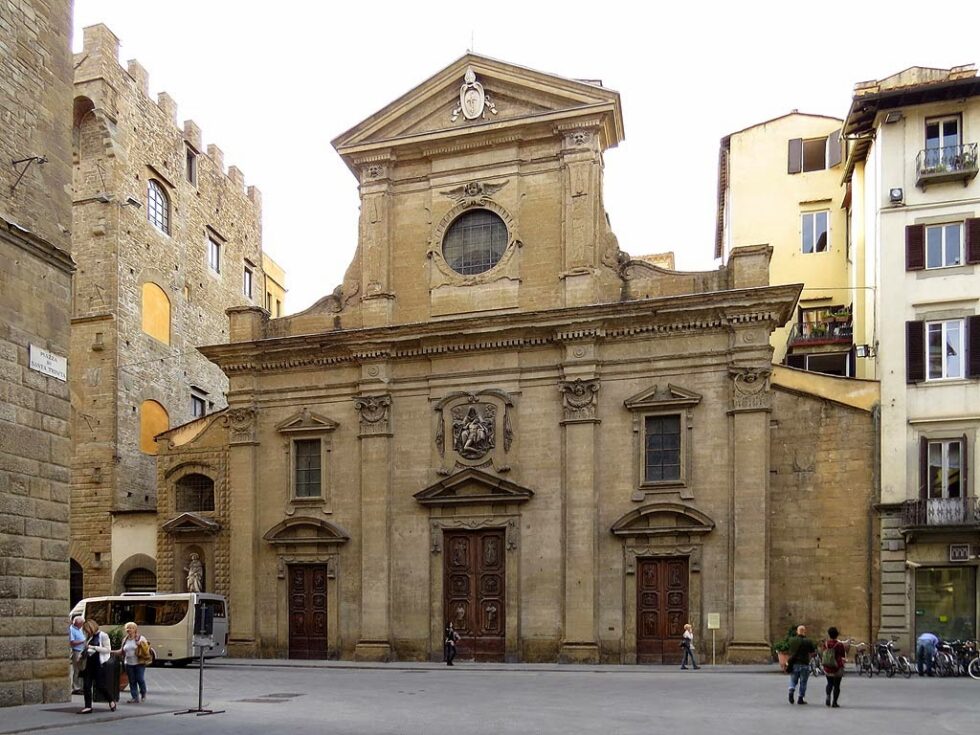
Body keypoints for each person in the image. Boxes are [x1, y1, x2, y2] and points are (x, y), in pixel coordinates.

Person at [78, 619, 116, 714]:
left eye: (87, 630)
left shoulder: (103, 635)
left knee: (100, 685)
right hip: (89, 663)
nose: (86, 632)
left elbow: (108, 649)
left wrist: (94, 647)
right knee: (86, 685)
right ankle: (88, 706)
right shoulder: (89, 637)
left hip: (99, 664)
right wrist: (82, 654)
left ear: (92, 627)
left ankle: (111, 700)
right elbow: (86, 648)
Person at [115, 622, 149, 703]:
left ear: (135, 629)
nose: (129, 629)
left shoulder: (141, 638)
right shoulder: (125, 639)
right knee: (132, 680)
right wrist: (110, 651)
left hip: (139, 663)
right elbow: (122, 651)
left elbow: (147, 649)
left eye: (131, 628)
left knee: (140, 679)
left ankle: (143, 693)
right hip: (128, 663)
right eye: (127, 628)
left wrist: (140, 645)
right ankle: (134, 697)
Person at [786, 624, 816, 705]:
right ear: (804, 632)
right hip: (804, 664)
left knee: (793, 680)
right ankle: (800, 698)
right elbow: (812, 651)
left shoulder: (791, 640)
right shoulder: (808, 641)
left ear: (797, 632)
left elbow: (790, 650)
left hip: (794, 663)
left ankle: (791, 690)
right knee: (803, 682)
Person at [822, 627, 846, 708]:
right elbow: (842, 655)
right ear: (837, 635)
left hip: (828, 666)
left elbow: (823, 652)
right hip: (837, 667)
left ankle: (828, 696)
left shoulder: (825, 644)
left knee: (829, 683)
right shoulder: (839, 644)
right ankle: (834, 702)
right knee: (837, 685)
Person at [68, 616, 86, 693]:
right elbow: (72, 642)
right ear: (78, 624)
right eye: (81, 623)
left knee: (82, 669)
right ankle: (76, 687)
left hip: (82, 651)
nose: (82, 625)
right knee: (76, 670)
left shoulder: (79, 629)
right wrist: (82, 641)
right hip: (76, 651)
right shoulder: (71, 630)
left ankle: (80, 686)